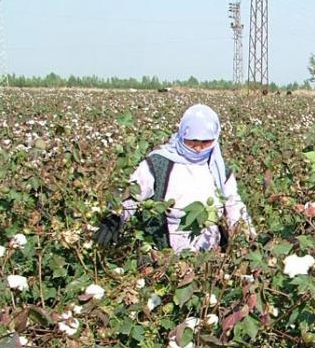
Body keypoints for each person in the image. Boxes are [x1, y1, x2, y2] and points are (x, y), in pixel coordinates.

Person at [95, 104, 254, 252]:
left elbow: (234, 207)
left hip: (209, 259)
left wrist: (249, 238)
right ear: (182, 134)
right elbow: (134, 193)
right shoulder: (159, 164)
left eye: (205, 142)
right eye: (192, 141)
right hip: (164, 258)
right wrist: (115, 217)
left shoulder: (220, 170)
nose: (198, 148)